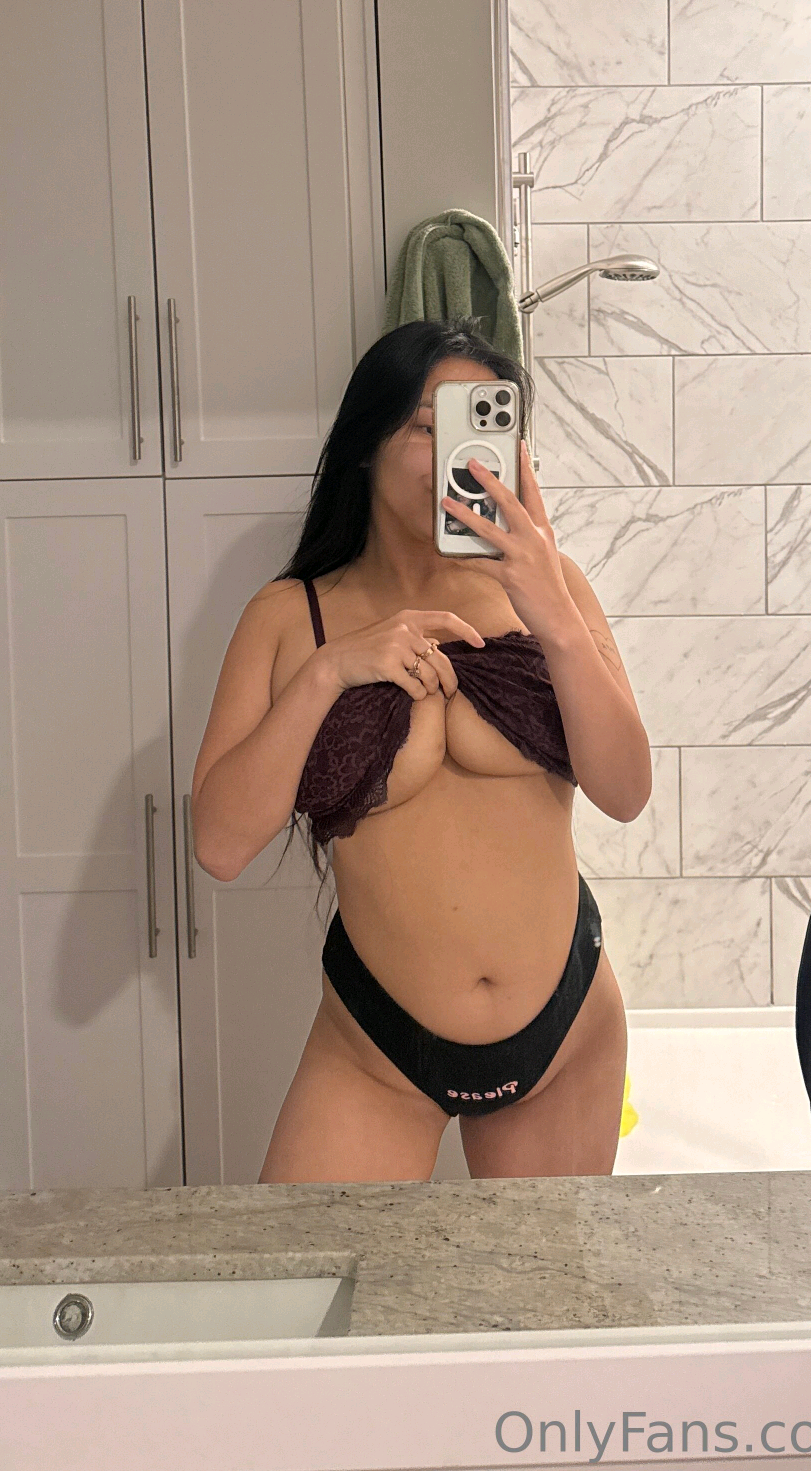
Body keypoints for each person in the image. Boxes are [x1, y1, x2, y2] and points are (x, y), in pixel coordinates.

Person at [190, 320, 653, 1183]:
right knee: (306, 1268)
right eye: (427, 428)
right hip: (376, 1051)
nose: (457, 457)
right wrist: (332, 671)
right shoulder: (289, 617)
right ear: (366, 444)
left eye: (479, 428)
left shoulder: (555, 590)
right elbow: (218, 844)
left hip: (567, 1034)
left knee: (543, 1278)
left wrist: (553, 613)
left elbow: (625, 791)